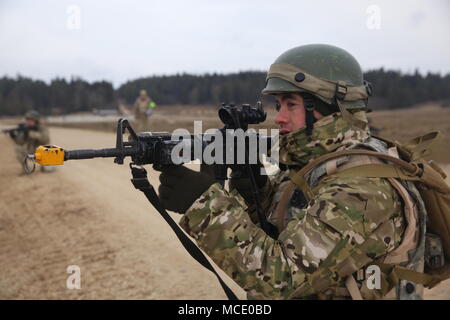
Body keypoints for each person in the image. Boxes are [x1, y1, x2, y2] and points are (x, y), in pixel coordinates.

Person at [158, 44, 427, 300]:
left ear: (328, 108)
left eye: (291, 104)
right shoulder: (313, 165)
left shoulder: (362, 186)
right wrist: (253, 188)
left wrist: (204, 206)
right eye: (278, 105)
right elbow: (278, 233)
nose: (279, 118)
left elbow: (281, 278)